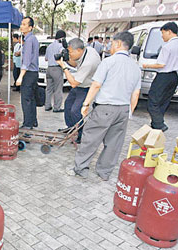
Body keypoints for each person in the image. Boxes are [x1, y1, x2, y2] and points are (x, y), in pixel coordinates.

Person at [67, 31, 141, 181]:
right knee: (114, 143)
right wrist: (129, 112)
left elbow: (96, 85)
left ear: (118, 44)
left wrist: (86, 104)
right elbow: (136, 94)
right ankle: (104, 172)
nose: (110, 47)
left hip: (105, 108)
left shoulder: (108, 62)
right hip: (123, 109)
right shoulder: (135, 67)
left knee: (91, 138)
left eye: (112, 43)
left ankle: (80, 168)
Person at [143, 22, 178, 132]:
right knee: (164, 102)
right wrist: (175, 63)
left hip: (163, 77)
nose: (162, 36)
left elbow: (161, 65)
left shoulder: (167, 47)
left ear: (169, 32)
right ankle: (155, 126)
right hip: (174, 77)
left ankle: (159, 125)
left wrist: (146, 65)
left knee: (152, 102)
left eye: (163, 33)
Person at [56, 38, 101, 143]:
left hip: (87, 87)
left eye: (71, 52)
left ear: (79, 50)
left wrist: (63, 66)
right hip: (81, 83)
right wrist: (66, 58)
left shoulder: (89, 62)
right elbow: (75, 64)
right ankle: (71, 128)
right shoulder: (86, 50)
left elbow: (73, 83)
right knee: (68, 104)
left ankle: (81, 134)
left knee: (76, 110)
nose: (70, 54)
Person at [16, 16, 39, 129]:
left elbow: (27, 60)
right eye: (21, 24)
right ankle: (33, 121)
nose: (22, 26)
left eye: (25, 24)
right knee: (31, 98)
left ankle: (27, 124)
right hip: (33, 73)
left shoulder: (30, 40)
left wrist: (20, 76)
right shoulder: (31, 39)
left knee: (26, 99)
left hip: (29, 73)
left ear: (30, 27)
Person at [44, 30, 67, 112]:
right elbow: (64, 55)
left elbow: (46, 59)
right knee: (58, 89)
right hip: (57, 68)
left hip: (49, 69)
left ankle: (47, 106)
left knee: (49, 89)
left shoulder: (49, 46)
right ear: (63, 38)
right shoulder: (61, 46)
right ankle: (57, 107)